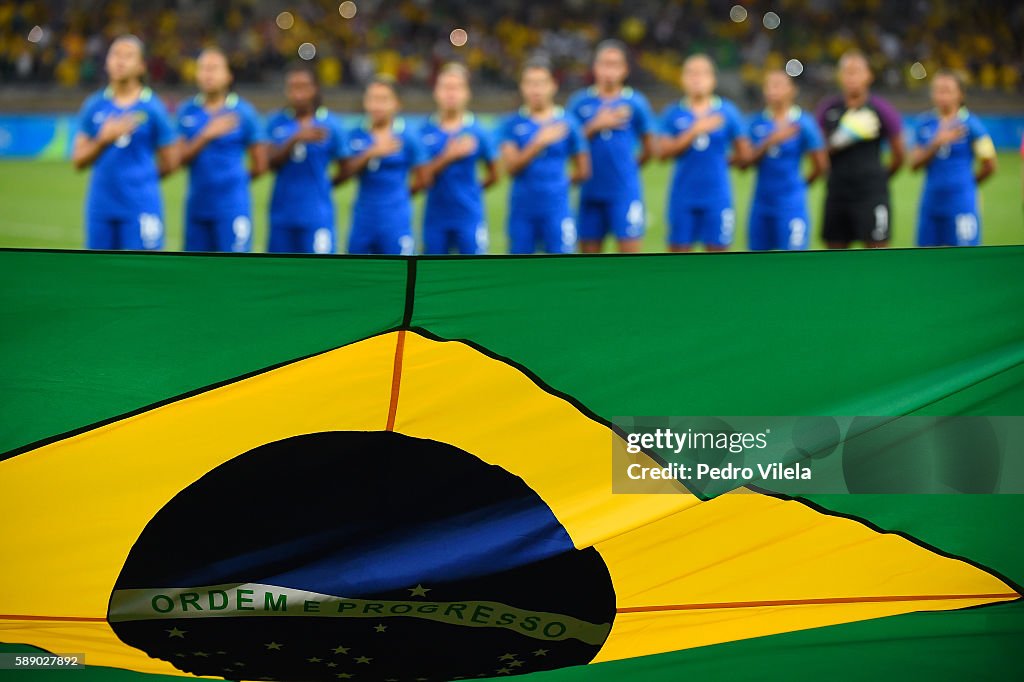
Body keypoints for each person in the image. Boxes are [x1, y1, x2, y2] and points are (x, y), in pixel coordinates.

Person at [72, 35, 178, 250]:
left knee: (140, 277)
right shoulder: (94, 105)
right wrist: (103, 140)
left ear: (141, 66)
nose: (120, 61)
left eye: (128, 56)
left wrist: (141, 179)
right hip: (100, 207)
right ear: (106, 62)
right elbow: (78, 160)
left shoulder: (153, 107)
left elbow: (171, 161)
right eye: (115, 54)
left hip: (141, 206)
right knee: (100, 276)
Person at [567, 40, 656, 253]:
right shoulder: (580, 102)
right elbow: (568, 143)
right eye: (604, 64)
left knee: (629, 260)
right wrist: (594, 126)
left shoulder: (636, 102)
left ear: (624, 69)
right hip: (590, 191)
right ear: (595, 68)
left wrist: (630, 167)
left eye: (615, 64)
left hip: (624, 191)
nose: (609, 70)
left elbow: (650, 146)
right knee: (589, 261)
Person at [177, 47, 267, 253]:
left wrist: (234, 181)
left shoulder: (244, 112)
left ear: (228, 75)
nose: (208, 74)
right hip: (197, 206)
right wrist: (206, 136)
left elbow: (260, 165)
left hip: (232, 207)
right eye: (203, 68)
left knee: (233, 272)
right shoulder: (187, 111)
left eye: (214, 68)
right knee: (196, 273)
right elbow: (179, 159)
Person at [658, 54, 750, 252]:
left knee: (717, 260)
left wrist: (722, 161)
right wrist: (695, 130)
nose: (696, 78)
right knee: (678, 261)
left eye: (702, 73)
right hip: (682, 196)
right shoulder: (673, 113)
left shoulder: (727, 112)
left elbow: (745, 155)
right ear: (682, 78)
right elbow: (663, 153)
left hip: (717, 196)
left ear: (713, 79)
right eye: (691, 73)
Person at [500, 58, 590, 254]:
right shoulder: (512, 124)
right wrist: (539, 142)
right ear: (522, 87)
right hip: (522, 210)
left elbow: (583, 170)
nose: (536, 89)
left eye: (541, 83)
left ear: (553, 86)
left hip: (557, 209)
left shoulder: (568, 123)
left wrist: (559, 184)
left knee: (561, 271)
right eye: (530, 83)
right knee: (519, 273)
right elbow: (511, 167)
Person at [815, 50, 904, 249]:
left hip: (872, 194)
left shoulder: (882, 109)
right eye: (847, 71)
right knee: (835, 257)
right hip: (837, 194)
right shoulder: (828, 109)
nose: (851, 77)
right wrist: (841, 139)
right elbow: (817, 152)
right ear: (840, 76)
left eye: (857, 71)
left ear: (869, 76)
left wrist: (880, 178)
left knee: (877, 255)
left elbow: (899, 155)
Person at [265, 64, 348, 254]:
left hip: (317, 215)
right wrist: (295, 138)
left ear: (314, 88)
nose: (297, 93)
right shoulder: (276, 122)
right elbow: (269, 163)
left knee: (318, 277)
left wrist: (326, 184)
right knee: (281, 275)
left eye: (303, 86)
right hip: (282, 216)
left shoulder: (331, 124)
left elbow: (346, 166)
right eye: (292, 87)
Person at [343, 76, 428, 255]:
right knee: (359, 276)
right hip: (362, 219)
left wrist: (400, 197)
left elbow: (423, 177)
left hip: (396, 220)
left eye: (383, 100)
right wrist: (371, 153)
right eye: (372, 99)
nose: (376, 106)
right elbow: (345, 172)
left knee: (398, 277)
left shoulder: (408, 136)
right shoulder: (356, 133)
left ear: (396, 103)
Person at [419, 63, 499, 255]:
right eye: (446, 87)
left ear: (466, 93)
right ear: (436, 92)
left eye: (456, 88)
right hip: (435, 217)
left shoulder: (479, 131)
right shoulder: (424, 131)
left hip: (469, 215)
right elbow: (422, 180)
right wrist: (448, 156)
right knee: (432, 276)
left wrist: (471, 191)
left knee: (473, 274)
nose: (450, 93)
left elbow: (494, 174)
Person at [910, 71, 997, 247]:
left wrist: (967, 185)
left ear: (960, 94)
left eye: (947, 90)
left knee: (964, 262)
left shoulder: (972, 125)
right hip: (931, 204)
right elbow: (914, 164)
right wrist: (936, 143)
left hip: (961, 204)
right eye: (937, 90)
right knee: (925, 261)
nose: (942, 96)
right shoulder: (925, 123)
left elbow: (990, 165)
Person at [746, 70, 829, 250]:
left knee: (794, 263)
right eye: (769, 86)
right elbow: (745, 163)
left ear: (792, 90)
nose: (773, 90)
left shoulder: (804, 123)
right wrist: (769, 142)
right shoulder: (757, 123)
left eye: (778, 85)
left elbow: (821, 165)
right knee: (757, 265)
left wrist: (801, 186)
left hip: (791, 205)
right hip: (761, 204)